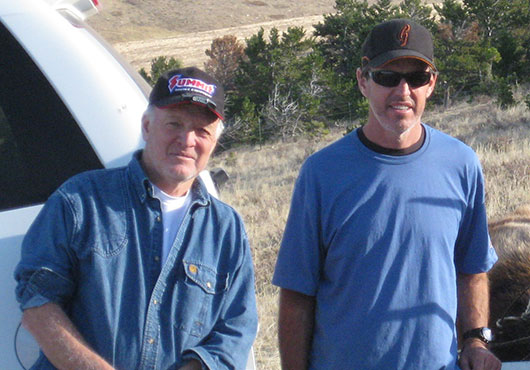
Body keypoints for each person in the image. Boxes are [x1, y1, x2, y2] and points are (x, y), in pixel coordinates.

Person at [273, 19, 501, 370]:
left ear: (432, 84)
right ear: (363, 81)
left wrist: (475, 340)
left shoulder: (462, 164)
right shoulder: (321, 173)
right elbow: (297, 295)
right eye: (388, 77)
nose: (403, 90)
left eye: (417, 77)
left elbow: (471, 270)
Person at [14, 67, 257, 370]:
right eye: (174, 124)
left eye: (202, 131)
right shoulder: (81, 201)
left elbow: (237, 329)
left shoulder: (226, 229)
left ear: (214, 143)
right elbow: (38, 304)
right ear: (146, 126)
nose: (187, 139)